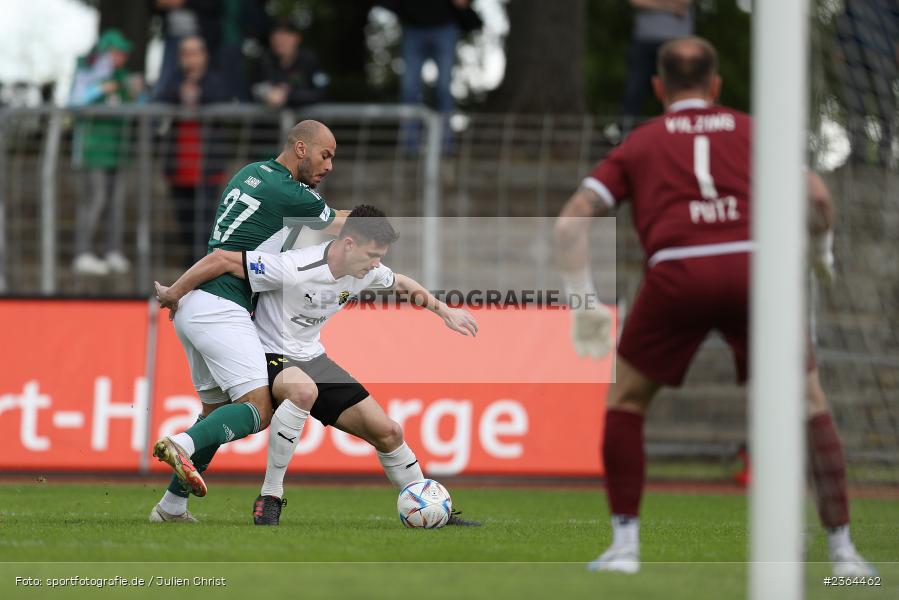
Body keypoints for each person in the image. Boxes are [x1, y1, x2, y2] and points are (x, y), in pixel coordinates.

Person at [554, 37, 875, 576]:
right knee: (809, 402)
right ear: (716, 85)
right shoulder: (753, 130)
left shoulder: (640, 142)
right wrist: (821, 257)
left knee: (627, 402)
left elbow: (571, 223)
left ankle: (625, 549)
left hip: (677, 272)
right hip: (758, 271)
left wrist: (584, 305)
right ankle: (843, 552)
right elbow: (818, 200)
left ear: (658, 88)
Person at [153, 205, 481, 526]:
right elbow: (223, 260)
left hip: (313, 357)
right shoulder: (295, 266)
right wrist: (176, 292)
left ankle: (430, 506)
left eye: (380, 256)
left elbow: (401, 283)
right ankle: (270, 496)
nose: (377, 264)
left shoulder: (363, 270)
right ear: (348, 244)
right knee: (302, 391)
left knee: (390, 432)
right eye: (372, 255)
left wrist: (444, 311)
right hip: (269, 354)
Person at [148, 119, 348, 519]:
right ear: (301, 149)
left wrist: (176, 292)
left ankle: (170, 506)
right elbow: (344, 225)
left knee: (215, 411)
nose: (329, 166)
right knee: (259, 407)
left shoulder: (250, 173)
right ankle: (182, 445)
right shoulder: (293, 193)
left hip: (195, 305)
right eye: (325, 155)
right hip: (223, 306)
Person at [156, 35, 235, 261]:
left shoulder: (215, 81)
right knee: (184, 216)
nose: (190, 59)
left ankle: (203, 262)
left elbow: (222, 99)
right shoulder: (173, 80)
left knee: (207, 217)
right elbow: (161, 97)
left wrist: (197, 93)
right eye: (185, 53)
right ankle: (192, 258)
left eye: (195, 53)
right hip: (179, 164)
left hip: (206, 165)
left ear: (204, 56)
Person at [69, 29, 141, 276]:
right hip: (92, 152)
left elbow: (138, 105)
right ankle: (83, 253)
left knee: (117, 202)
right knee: (96, 200)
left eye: (123, 53)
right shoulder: (86, 73)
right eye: (117, 52)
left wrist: (136, 92)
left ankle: (113, 251)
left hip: (118, 150)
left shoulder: (122, 77)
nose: (122, 57)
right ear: (105, 52)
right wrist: (99, 90)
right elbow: (74, 102)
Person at [620, 0, 694, 138]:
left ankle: (683, 134)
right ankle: (625, 136)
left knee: (681, 90)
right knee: (634, 91)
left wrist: (655, 4)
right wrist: (670, 6)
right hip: (644, 41)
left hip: (678, 43)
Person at [249, 18, 328, 109]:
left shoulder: (309, 60)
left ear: (296, 38)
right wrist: (267, 93)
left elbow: (320, 92)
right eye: (275, 37)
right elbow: (252, 89)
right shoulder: (263, 61)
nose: (278, 41)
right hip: (270, 121)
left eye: (284, 36)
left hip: (304, 120)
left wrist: (289, 95)